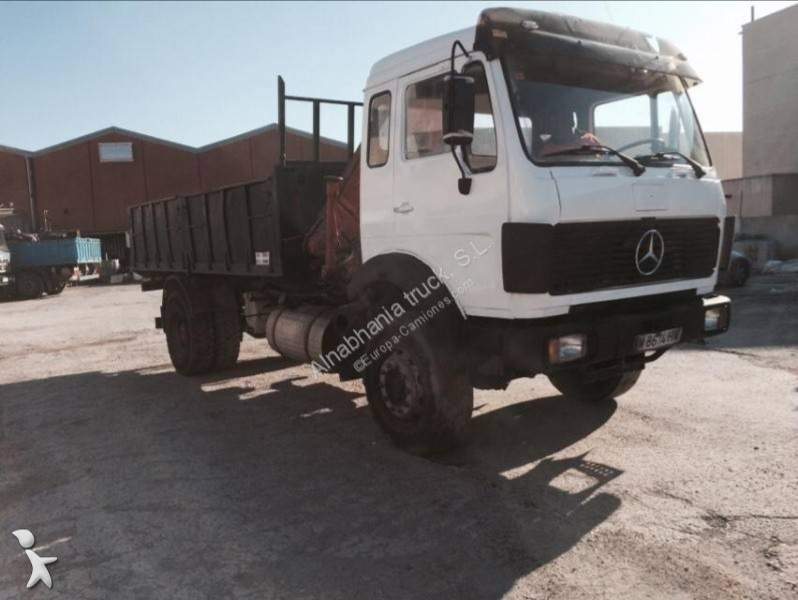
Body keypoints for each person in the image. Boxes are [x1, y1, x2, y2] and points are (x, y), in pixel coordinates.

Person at [535, 106, 601, 157]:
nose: (559, 125)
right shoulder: (548, 150)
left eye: (564, 119)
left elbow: (600, 162)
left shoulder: (589, 140)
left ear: (571, 122)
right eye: (556, 121)